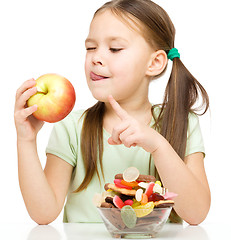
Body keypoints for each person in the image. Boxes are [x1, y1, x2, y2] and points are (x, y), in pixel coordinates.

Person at [14, 0, 211, 225]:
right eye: (90, 48)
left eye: (115, 49)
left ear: (155, 62)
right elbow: (43, 213)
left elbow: (197, 214)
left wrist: (157, 145)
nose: (95, 57)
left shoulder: (182, 123)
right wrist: (26, 140)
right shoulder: (71, 127)